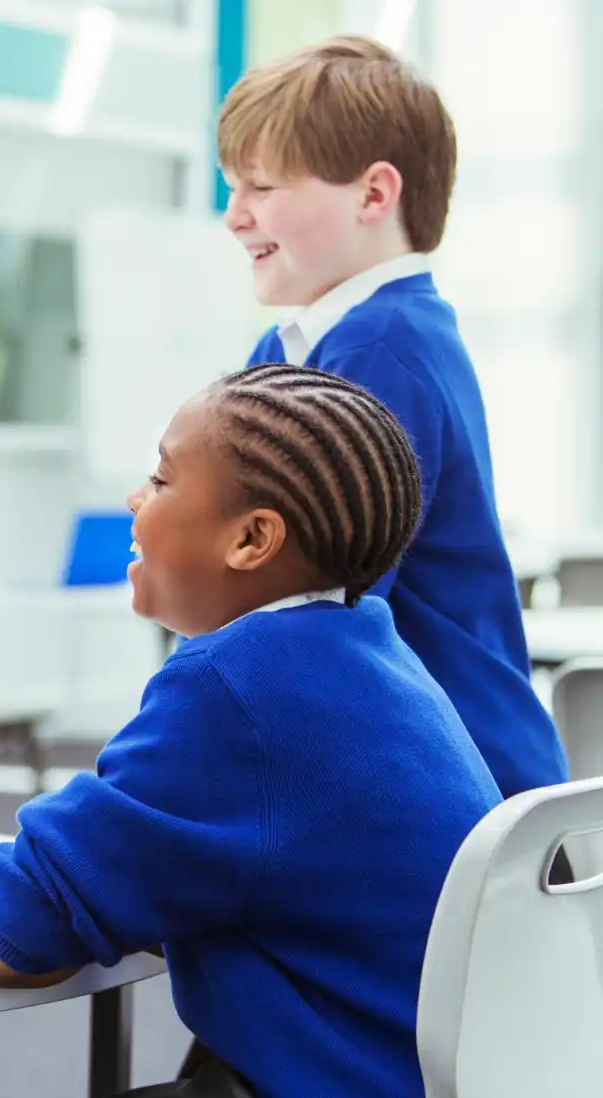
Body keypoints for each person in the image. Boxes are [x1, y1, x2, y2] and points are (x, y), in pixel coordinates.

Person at [0, 365, 502, 1098]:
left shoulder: (236, 685)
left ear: (251, 539)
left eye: (159, 477)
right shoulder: (362, 649)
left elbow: (5, 940)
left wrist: (23, 907)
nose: (133, 497)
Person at [218, 35, 566, 805]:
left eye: (261, 187)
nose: (235, 216)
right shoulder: (301, 342)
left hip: (458, 785)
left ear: (374, 196)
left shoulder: (382, 349)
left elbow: (311, 605)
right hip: (411, 768)